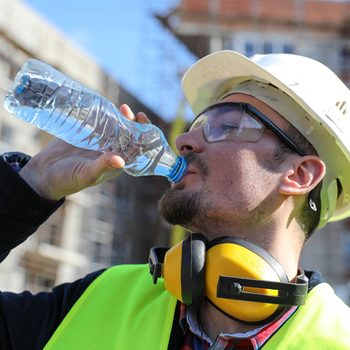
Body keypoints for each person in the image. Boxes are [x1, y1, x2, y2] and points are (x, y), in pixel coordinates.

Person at [1, 50, 350, 349]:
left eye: (227, 125)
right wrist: (30, 185)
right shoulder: (99, 299)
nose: (184, 139)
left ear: (299, 175)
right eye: (198, 123)